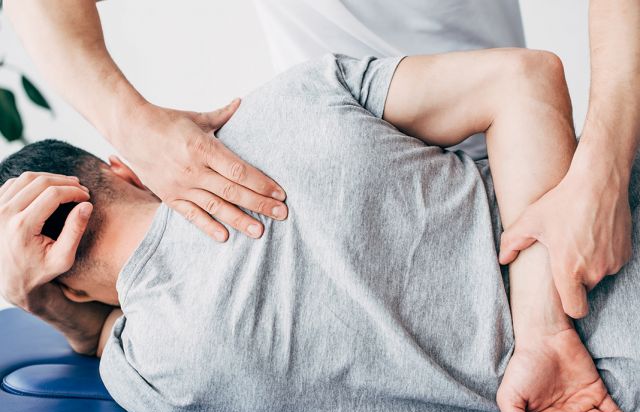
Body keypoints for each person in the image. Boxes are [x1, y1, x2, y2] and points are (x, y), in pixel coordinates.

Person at [0, 49, 637, 412]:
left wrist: (36, 297)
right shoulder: (289, 100)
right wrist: (542, 327)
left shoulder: (157, 373)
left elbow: (93, 334)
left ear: (63, 285)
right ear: (127, 170)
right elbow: (527, 77)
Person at [5, 1, 640, 321]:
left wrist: (603, 172)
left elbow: (525, 85)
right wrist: (133, 122)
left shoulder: (168, 356)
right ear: (123, 171)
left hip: (514, 150)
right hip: (338, 137)